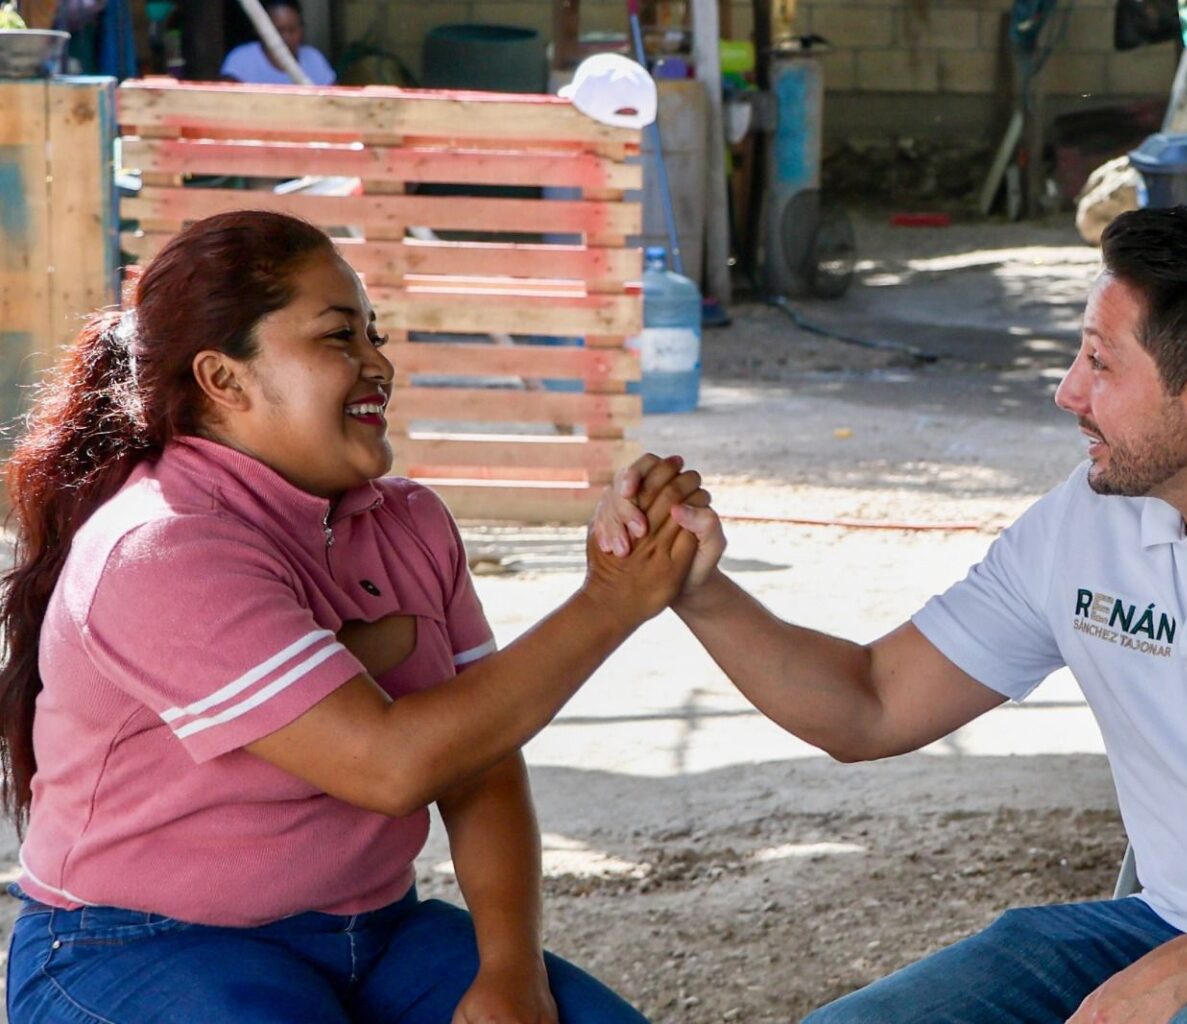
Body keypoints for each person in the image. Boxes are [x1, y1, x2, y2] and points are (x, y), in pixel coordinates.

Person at [598, 204, 1187, 1024]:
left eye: (1099, 361)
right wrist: (698, 587)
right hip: (1174, 924)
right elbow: (871, 703)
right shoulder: (1090, 523)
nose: (1067, 392)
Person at [0, 209, 704, 1023]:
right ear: (223, 380)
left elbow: (478, 759)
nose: (378, 364)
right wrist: (611, 602)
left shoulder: (407, 522)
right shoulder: (159, 545)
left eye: (376, 334)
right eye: (339, 338)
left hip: (376, 934)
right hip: (140, 948)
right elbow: (391, 765)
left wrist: (511, 971)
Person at [220, 0, 336, 85]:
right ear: (261, 30)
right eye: (279, 31)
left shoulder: (314, 59)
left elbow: (333, 102)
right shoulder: (241, 61)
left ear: (302, 30)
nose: (286, 37)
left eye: (292, 30)